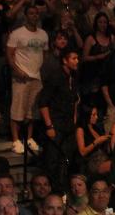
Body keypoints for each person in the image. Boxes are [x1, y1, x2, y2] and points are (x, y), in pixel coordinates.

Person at [6, 4, 48, 154]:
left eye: (36, 13)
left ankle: (29, 138)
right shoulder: (17, 33)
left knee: (32, 111)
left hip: (37, 77)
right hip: (21, 77)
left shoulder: (43, 34)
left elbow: (45, 55)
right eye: (31, 13)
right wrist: (17, 71)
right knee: (17, 109)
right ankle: (16, 140)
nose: (34, 16)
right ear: (26, 15)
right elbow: (10, 54)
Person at [39, 49, 80, 191]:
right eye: (73, 58)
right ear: (65, 60)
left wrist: (74, 120)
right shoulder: (55, 77)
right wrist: (49, 126)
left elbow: (74, 101)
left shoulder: (72, 77)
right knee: (52, 161)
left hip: (68, 125)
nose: (77, 61)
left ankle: (61, 191)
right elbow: (43, 102)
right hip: (56, 125)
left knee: (65, 161)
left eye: (77, 58)